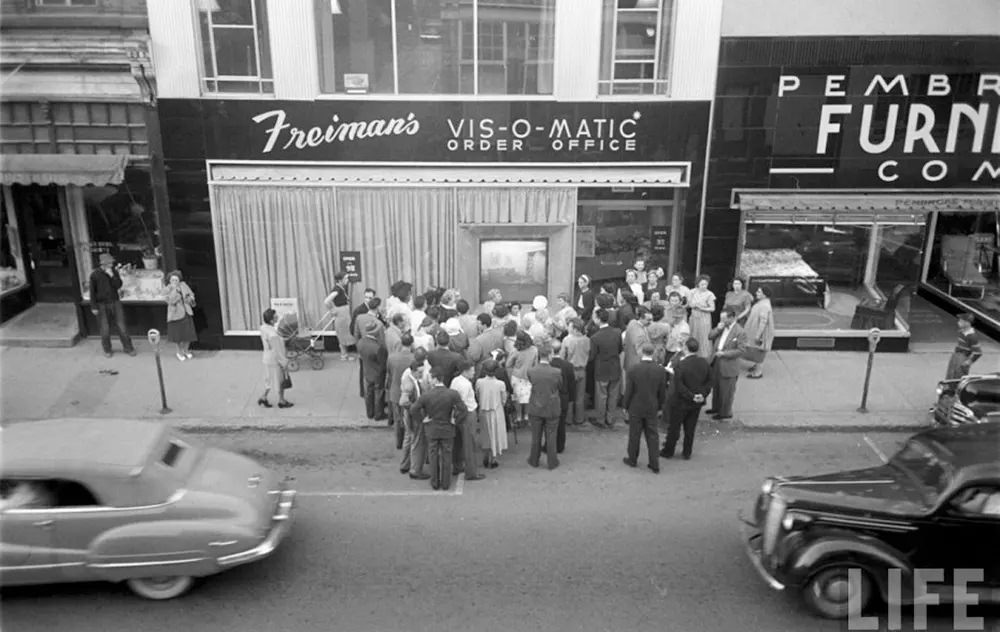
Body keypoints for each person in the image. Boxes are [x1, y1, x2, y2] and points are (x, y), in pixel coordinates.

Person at [410, 369, 466, 491]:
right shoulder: (452, 394)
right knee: (447, 455)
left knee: (433, 455)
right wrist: (456, 421)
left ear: (435, 379)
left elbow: (414, 409)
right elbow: (463, 410)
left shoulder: (427, 395)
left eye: (431, 378)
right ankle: (446, 483)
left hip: (432, 429)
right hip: (447, 428)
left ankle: (435, 482)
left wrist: (422, 419)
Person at [661, 338, 713, 460]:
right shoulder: (704, 363)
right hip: (697, 403)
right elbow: (710, 381)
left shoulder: (681, 365)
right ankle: (687, 452)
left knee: (674, 428)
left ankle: (668, 451)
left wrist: (691, 396)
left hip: (681, 402)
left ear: (686, 348)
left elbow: (680, 386)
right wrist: (702, 395)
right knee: (690, 428)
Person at [622, 343, 667, 473]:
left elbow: (629, 390)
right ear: (653, 353)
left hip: (636, 406)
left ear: (642, 352)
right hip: (652, 405)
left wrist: (625, 405)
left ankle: (632, 459)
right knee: (653, 435)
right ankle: (654, 463)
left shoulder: (634, 369)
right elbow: (662, 391)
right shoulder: (660, 370)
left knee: (634, 434)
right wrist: (660, 406)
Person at [89, 253, 136, 358]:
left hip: (115, 301)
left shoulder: (114, 272)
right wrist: (93, 306)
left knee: (122, 326)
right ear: (103, 264)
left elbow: (119, 285)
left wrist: (112, 276)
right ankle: (107, 349)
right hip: (101, 303)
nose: (111, 264)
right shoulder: (95, 275)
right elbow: (92, 292)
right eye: (109, 263)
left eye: (111, 262)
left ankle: (128, 347)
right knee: (104, 328)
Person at [526, 343, 564, 470]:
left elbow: (531, 382)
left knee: (535, 436)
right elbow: (560, 386)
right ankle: (552, 462)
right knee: (551, 436)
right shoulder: (557, 372)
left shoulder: (531, 371)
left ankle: (534, 460)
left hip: (535, 406)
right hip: (552, 407)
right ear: (549, 355)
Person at [707, 308, 746, 421]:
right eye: (721, 318)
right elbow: (710, 336)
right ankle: (716, 407)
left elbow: (741, 350)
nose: (722, 321)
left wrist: (724, 354)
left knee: (726, 390)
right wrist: (718, 329)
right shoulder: (722, 326)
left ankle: (725, 412)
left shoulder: (740, 332)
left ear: (732, 318)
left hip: (728, 363)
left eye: (724, 319)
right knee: (717, 387)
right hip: (716, 361)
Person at [450, 360, 485, 481]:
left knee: (458, 442)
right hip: (468, 414)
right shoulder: (466, 385)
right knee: (470, 443)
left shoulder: (455, 380)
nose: (474, 372)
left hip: (457, 414)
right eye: (472, 370)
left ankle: (457, 466)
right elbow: (463, 403)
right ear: (465, 371)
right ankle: (471, 472)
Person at [589, 308, 623, 428]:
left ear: (598, 319)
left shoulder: (595, 337)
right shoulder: (617, 332)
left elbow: (592, 356)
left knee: (601, 395)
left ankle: (600, 419)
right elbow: (620, 349)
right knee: (613, 395)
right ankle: (610, 418)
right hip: (614, 367)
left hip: (601, 369)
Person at [399, 351, 430, 480]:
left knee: (410, 439)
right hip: (414, 417)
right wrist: (414, 409)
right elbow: (403, 401)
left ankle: (405, 464)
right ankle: (415, 470)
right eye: (419, 373)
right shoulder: (410, 384)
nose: (421, 375)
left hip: (410, 416)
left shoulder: (412, 379)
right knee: (417, 442)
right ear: (413, 371)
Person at [476, 359, 508, 469]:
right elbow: (504, 399)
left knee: (485, 434)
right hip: (496, 411)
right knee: (496, 434)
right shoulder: (500, 384)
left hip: (483, 410)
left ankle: (486, 455)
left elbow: (477, 394)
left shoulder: (479, 382)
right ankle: (494, 458)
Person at [386, 333, 416, 451]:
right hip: (410, 393)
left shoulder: (392, 357)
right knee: (409, 418)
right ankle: (409, 442)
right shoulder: (414, 358)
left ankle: (399, 443)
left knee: (398, 419)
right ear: (412, 343)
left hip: (395, 391)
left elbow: (389, 374)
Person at [259, 308, 292, 408]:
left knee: (268, 380)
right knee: (280, 381)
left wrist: (281, 339)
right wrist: (284, 362)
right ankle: (281, 401)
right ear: (272, 320)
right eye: (275, 316)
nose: (277, 317)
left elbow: (271, 341)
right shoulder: (273, 334)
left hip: (266, 358)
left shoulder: (263, 328)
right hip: (275, 360)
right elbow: (278, 350)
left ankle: (263, 397)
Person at [560, 318, 591, 425]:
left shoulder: (567, 340)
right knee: (580, 396)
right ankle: (579, 418)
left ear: (575, 328)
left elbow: (562, 356)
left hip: (570, 370)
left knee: (569, 396)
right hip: (582, 370)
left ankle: (568, 419)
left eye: (570, 326)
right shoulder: (587, 340)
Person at [549, 338, 576, 454]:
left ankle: (549, 445)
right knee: (561, 423)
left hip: (551, 397)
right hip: (563, 397)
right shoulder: (568, 366)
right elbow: (572, 384)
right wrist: (571, 398)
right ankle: (560, 446)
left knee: (549, 423)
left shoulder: (548, 365)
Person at [358, 320, 388, 422]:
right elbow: (383, 364)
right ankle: (378, 414)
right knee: (379, 393)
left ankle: (370, 413)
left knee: (369, 392)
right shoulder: (378, 347)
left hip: (367, 372)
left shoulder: (361, 342)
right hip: (378, 374)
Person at [163, 269, 197, 361]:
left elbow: (191, 294)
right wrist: (176, 291)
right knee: (178, 337)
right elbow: (170, 301)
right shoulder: (167, 289)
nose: (174, 282)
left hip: (186, 312)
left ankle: (186, 350)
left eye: (176, 280)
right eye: (172, 280)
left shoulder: (184, 285)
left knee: (188, 334)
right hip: (175, 315)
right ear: (169, 281)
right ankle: (179, 352)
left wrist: (190, 298)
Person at [506, 330, 538, 424]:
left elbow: (508, 364)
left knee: (517, 398)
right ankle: (527, 416)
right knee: (528, 397)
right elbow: (535, 364)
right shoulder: (534, 350)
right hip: (529, 376)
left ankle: (519, 416)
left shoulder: (515, 350)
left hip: (517, 376)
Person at [743, 286, 775, 379]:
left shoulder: (764, 306)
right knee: (757, 350)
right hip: (756, 330)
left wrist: (758, 335)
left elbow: (763, 322)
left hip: (761, 333)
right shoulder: (763, 303)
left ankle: (758, 372)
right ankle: (756, 366)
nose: (756, 293)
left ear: (764, 295)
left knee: (759, 351)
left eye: (759, 292)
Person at [325, 272, 356, 361]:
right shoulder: (337, 289)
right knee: (342, 335)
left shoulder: (341, 288)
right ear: (340, 280)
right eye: (345, 278)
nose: (347, 280)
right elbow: (327, 301)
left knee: (344, 334)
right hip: (341, 314)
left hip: (344, 314)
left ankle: (344, 355)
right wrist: (332, 310)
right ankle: (344, 355)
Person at [946, 313, 983, 379]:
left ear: (967, 323)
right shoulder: (962, 332)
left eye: (961, 321)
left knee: (958, 377)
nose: (958, 322)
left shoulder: (972, 336)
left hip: (963, 358)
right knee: (951, 375)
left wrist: (968, 362)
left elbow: (978, 353)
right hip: (956, 356)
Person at [688, 275, 716, 360]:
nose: (704, 286)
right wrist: (693, 305)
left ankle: (704, 356)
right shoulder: (692, 292)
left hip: (704, 317)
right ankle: (691, 353)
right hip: (694, 317)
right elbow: (689, 303)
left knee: (703, 336)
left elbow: (712, 308)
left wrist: (702, 308)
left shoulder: (709, 294)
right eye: (702, 284)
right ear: (698, 284)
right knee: (693, 334)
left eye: (705, 284)